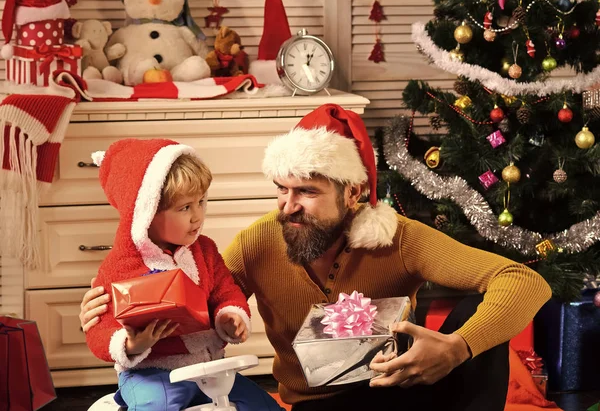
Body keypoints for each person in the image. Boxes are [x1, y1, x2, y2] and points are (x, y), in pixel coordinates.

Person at [80, 105, 552, 411]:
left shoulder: (400, 237)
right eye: (281, 189)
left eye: (306, 191)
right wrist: (116, 313)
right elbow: (197, 298)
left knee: (475, 319)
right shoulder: (257, 242)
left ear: (353, 193)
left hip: (393, 389)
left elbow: (526, 281)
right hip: (317, 405)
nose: (287, 205)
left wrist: (459, 346)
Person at [84, 139, 281, 411]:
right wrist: (130, 345)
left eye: (201, 202)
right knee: (158, 406)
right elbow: (98, 330)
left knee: (262, 405)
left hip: (209, 369)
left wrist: (229, 315)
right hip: (152, 374)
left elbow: (225, 290)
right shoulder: (120, 267)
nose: (197, 216)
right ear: (146, 213)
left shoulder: (205, 250)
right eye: (184, 208)